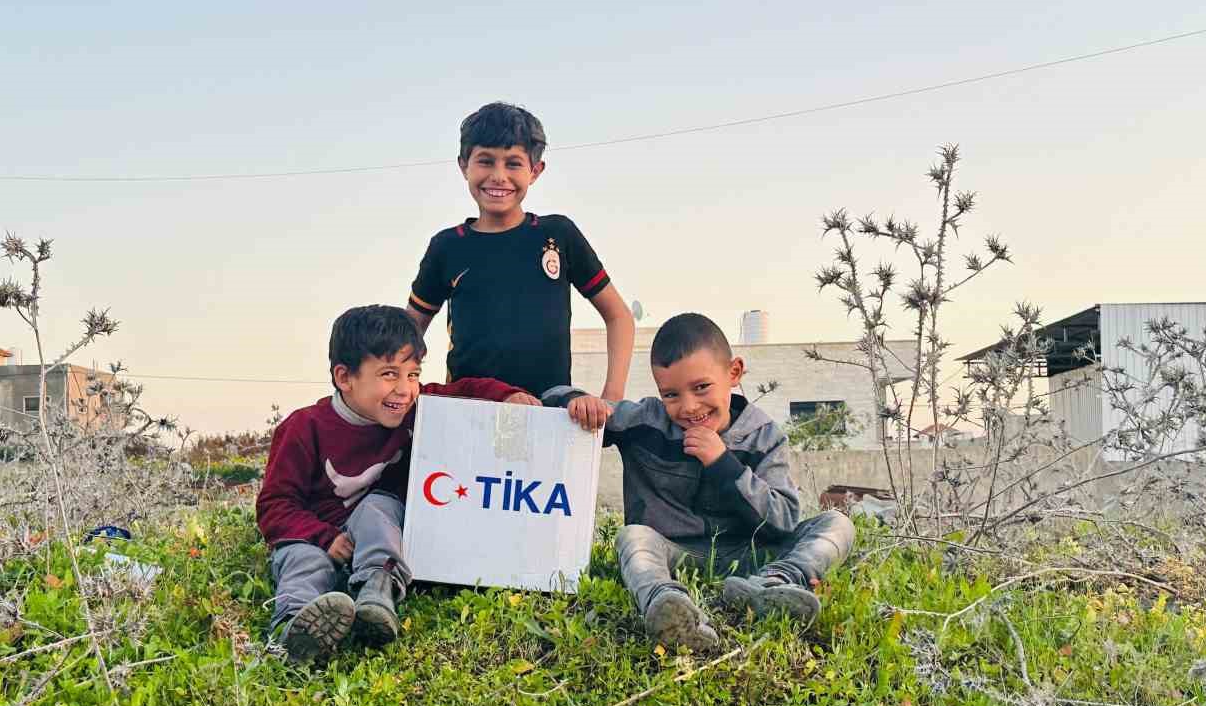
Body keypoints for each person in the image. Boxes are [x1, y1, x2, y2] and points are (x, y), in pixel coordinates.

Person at [544, 312, 855, 651]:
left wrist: (724, 464)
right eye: (671, 395)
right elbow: (558, 399)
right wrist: (576, 400)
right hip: (675, 554)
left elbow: (783, 520)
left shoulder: (764, 436)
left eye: (701, 387)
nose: (689, 407)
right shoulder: (647, 422)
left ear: (733, 373)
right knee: (632, 537)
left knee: (837, 524)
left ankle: (775, 583)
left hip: (751, 553)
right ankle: (665, 603)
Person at [257, 305, 535, 663]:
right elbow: (275, 505)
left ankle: (377, 591)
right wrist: (323, 538)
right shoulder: (303, 427)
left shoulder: (414, 409)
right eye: (389, 374)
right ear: (345, 378)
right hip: (319, 536)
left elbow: (463, 390)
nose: (405, 389)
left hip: (377, 535)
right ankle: (292, 631)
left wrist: (506, 396)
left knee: (379, 507)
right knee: (303, 560)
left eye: (413, 374)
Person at [405, 101, 631, 430]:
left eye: (513, 163)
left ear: (535, 171)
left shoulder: (559, 235)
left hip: (549, 418)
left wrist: (612, 397)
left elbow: (619, 316)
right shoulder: (447, 246)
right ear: (463, 166)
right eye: (485, 161)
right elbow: (407, 335)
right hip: (469, 416)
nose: (499, 176)